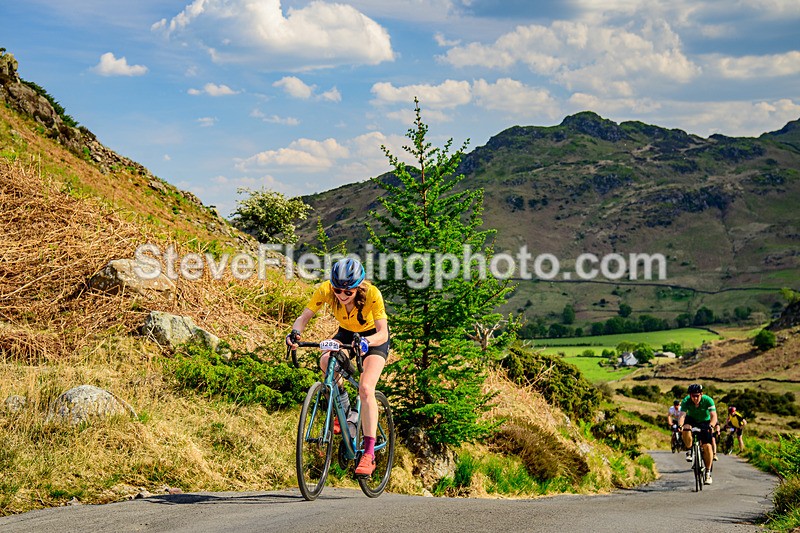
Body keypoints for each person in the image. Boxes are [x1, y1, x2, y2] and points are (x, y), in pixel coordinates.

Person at [286, 258, 390, 477]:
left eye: (348, 292)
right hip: (347, 334)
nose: (342, 295)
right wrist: (295, 333)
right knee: (326, 361)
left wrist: (366, 342)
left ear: (358, 287)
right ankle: (345, 410)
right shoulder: (326, 289)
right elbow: (304, 317)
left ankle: (368, 453)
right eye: (337, 290)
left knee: (366, 388)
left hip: (373, 339)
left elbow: (383, 333)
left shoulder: (372, 294)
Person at [678, 383, 718, 485]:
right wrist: (680, 425)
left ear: (701, 394)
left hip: (705, 421)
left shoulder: (708, 400)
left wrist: (711, 426)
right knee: (686, 429)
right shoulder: (686, 401)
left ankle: (708, 472)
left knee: (707, 446)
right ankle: (689, 449)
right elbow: (682, 415)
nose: (695, 398)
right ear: (690, 395)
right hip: (691, 419)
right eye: (693, 396)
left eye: (697, 396)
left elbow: (713, 416)